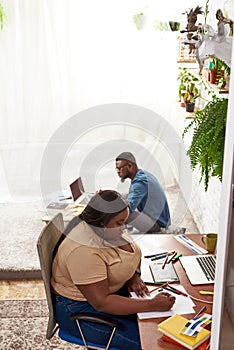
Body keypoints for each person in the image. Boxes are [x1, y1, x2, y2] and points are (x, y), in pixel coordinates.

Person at [51, 190, 175, 350]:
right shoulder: (83, 250)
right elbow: (102, 302)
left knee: (164, 326)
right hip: (81, 309)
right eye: (119, 223)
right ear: (102, 222)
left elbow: (131, 253)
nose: (124, 228)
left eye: (124, 221)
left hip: (113, 293)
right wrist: (152, 304)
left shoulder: (109, 230)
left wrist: (134, 276)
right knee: (155, 343)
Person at [115, 152, 185, 234]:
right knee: (121, 197)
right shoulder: (143, 174)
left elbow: (128, 209)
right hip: (159, 217)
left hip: (157, 224)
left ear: (129, 166)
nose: (118, 172)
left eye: (119, 168)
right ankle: (126, 226)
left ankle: (121, 230)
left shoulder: (139, 183)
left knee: (125, 213)